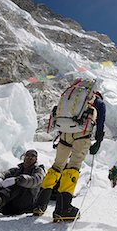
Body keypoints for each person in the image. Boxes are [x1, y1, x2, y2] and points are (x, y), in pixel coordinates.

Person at [33, 89, 106, 222]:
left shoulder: (72, 98)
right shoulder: (98, 102)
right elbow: (100, 122)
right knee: (73, 167)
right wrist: (99, 141)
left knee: (56, 167)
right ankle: (64, 208)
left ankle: (39, 204)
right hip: (81, 135)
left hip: (64, 134)